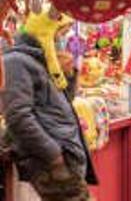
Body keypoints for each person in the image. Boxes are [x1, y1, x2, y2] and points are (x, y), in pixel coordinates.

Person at [3, 14, 97, 201]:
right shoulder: (16, 61)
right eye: (58, 35)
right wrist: (53, 155)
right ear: (44, 32)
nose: (60, 41)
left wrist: (69, 75)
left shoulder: (45, 60)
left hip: (65, 155)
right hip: (51, 162)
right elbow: (18, 116)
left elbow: (61, 106)